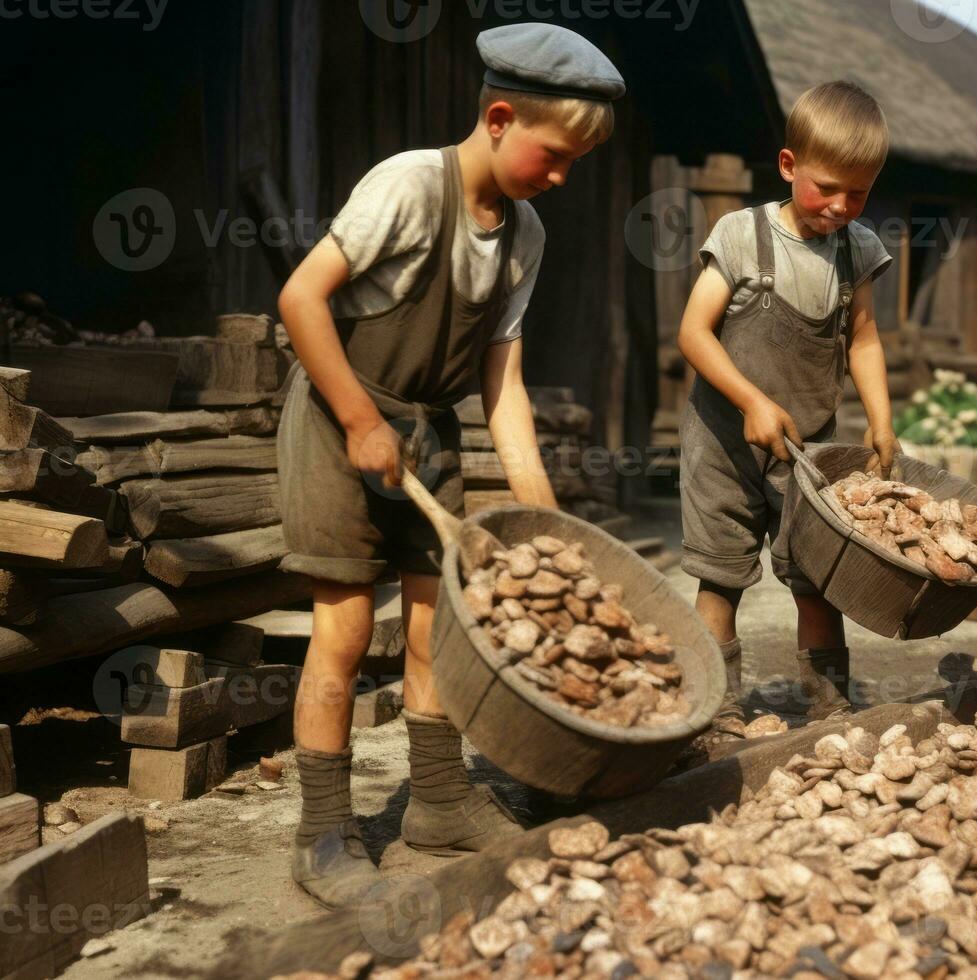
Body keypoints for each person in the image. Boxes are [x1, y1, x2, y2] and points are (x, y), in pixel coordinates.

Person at [275, 23, 624, 908]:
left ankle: (435, 801)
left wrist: (540, 508)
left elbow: (501, 382)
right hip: (335, 422)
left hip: (427, 434)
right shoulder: (404, 184)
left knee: (439, 629)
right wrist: (358, 419)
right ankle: (323, 831)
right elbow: (299, 299)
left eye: (573, 164)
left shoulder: (525, 235)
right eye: (553, 156)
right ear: (500, 117)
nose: (558, 177)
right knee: (346, 634)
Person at [676, 80, 898, 744]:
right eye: (824, 188)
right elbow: (692, 333)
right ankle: (717, 714)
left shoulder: (855, 249)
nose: (838, 206)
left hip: (809, 450)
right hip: (721, 444)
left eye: (857, 194)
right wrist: (750, 400)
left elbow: (862, 340)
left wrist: (881, 422)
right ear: (787, 166)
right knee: (720, 577)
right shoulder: (740, 234)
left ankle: (828, 704)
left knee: (817, 580)